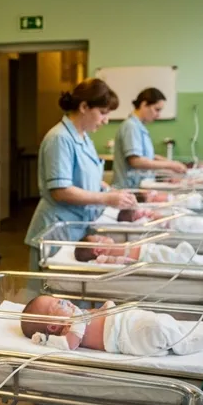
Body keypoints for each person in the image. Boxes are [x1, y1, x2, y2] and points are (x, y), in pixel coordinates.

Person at [24, 78, 137, 270]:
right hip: (57, 230)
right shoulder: (59, 138)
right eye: (102, 113)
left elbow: (85, 177)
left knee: (73, 294)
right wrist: (106, 198)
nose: (106, 120)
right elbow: (61, 191)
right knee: (51, 294)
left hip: (76, 226)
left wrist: (110, 190)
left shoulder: (84, 139)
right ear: (84, 106)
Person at [20, 295, 203, 357]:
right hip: (124, 335)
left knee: (157, 319)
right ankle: (182, 345)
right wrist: (46, 341)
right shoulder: (73, 326)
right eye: (58, 304)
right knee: (154, 327)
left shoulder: (77, 316)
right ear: (53, 326)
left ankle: (179, 334)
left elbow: (95, 318)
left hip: (124, 321)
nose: (65, 301)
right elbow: (70, 345)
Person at [112, 88, 188, 189]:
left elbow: (148, 156)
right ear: (144, 105)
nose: (158, 115)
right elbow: (136, 161)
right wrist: (170, 165)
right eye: (157, 109)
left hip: (139, 187)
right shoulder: (131, 126)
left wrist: (171, 163)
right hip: (129, 189)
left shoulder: (139, 127)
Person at [73, 234, 201, 265]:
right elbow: (126, 262)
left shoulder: (116, 246)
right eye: (100, 238)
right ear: (98, 250)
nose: (105, 236)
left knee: (178, 251)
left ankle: (191, 258)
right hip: (149, 256)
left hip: (151, 249)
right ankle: (190, 260)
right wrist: (105, 259)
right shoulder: (109, 257)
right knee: (176, 257)